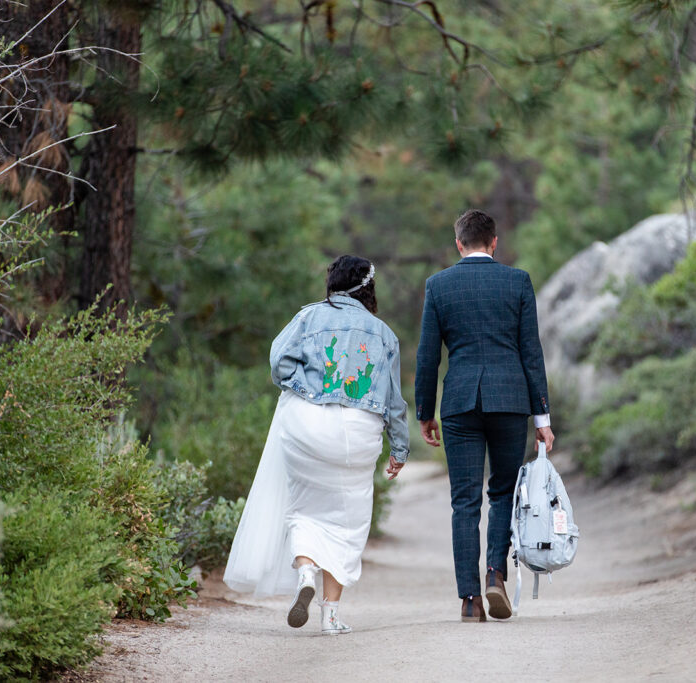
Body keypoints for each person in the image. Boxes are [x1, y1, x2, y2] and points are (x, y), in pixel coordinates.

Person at [223, 255, 409, 635]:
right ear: (368, 289)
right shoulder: (384, 334)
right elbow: (394, 403)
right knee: (349, 521)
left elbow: (278, 363)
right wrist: (400, 450)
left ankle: (305, 571)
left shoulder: (308, 317)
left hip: (306, 424)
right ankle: (331, 616)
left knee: (303, 509)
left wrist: (305, 387)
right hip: (357, 433)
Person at [414, 209, 554, 623]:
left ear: (459, 244)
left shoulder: (438, 285)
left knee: (464, 502)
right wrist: (542, 418)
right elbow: (532, 352)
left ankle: (469, 600)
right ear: (494, 242)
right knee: (503, 493)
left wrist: (424, 411)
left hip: (459, 403)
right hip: (510, 400)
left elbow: (427, 357)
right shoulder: (518, 282)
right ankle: (495, 573)